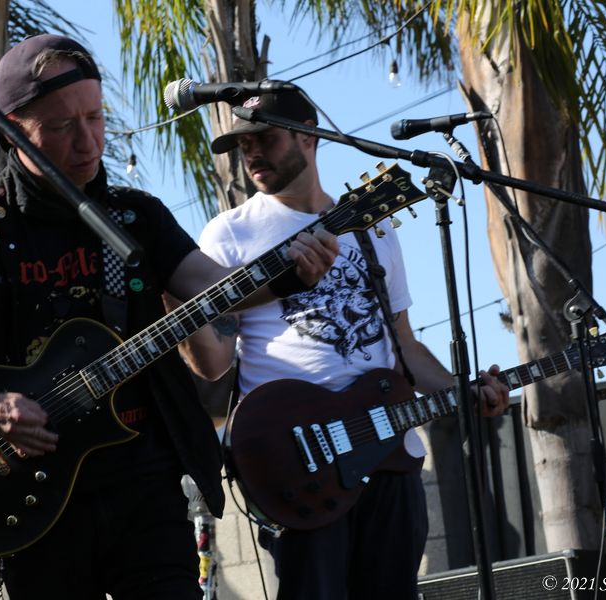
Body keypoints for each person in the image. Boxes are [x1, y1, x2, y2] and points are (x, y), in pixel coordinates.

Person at [0, 34, 337, 599]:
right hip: (34, 498)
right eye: (63, 126)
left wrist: (289, 275)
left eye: (95, 117)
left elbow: (213, 288)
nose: (88, 141)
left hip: (145, 486)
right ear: (13, 131)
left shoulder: (136, 217)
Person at [177, 92, 512, 600]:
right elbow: (214, 362)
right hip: (299, 459)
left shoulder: (373, 225)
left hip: (389, 450)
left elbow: (403, 344)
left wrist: (462, 390)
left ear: (308, 136)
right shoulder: (230, 233)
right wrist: (178, 306)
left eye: (264, 138)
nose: (252, 153)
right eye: (243, 145)